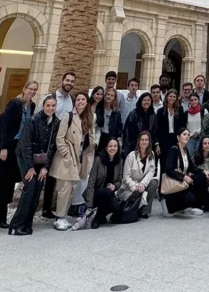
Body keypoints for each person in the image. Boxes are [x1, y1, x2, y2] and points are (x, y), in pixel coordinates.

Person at [0, 80, 38, 232]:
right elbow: (5, 126)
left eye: (35, 89)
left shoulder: (32, 106)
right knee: (1, 183)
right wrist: (3, 147)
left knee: (9, 184)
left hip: (18, 147)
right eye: (30, 89)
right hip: (7, 146)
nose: (32, 92)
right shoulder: (14, 104)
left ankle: (1, 219)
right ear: (24, 89)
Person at [8, 95, 58, 235]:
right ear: (43, 106)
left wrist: (45, 167)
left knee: (37, 190)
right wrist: (29, 167)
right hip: (26, 158)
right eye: (48, 105)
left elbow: (52, 147)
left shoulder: (55, 122)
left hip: (41, 161)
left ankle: (27, 223)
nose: (50, 108)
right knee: (29, 189)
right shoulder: (34, 120)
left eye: (53, 106)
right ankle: (16, 224)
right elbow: (26, 144)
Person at [51, 91, 94, 230]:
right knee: (64, 188)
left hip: (80, 158)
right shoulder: (68, 116)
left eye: (83, 99)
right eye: (78, 99)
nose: (80, 102)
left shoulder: (88, 118)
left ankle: (63, 215)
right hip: (68, 158)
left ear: (87, 102)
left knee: (71, 189)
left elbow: (88, 137)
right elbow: (60, 137)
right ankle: (59, 217)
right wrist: (66, 153)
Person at [161, 128, 207, 217]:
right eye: (184, 134)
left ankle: (194, 205)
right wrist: (184, 177)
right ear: (178, 137)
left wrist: (204, 171)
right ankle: (167, 204)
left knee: (201, 177)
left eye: (188, 135)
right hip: (175, 182)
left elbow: (192, 168)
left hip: (183, 182)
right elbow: (168, 170)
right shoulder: (174, 150)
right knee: (190, 199)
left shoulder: (186, 150)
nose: (187, 136)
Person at [120, 130, 158, 219]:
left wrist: (143, 184)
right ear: (138, 141)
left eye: (146, 140)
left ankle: (144, 211)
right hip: (130, 187)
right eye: (142, 140)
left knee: (154, 183)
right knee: (136, 193)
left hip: (141, 184)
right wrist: (136, 186)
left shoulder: (151, 154)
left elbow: (151, 171)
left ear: (149, 142)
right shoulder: (131, 156)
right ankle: (133, 209)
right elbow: (126, 177)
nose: (144, 142)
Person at [86, 137, 123, 228]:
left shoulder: (120, 161)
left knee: (117, 208)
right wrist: (89, 206)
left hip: (110, 194)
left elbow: (119, 181)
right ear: (106, 148)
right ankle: (97, 217)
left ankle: (100, 216)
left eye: (115, 146)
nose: (113, 148)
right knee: (106, 193)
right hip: (97, 194)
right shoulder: (98, 160)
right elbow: (91, 183)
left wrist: (115, 186)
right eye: (110, 146)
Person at [155, 88, 185, 159]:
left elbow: (182, 126)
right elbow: (157, 128)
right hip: (164, 140)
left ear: (176, 98)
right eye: (170, 96)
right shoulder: (160, 111)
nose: (172, 98)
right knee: (164, 160)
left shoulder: (180, 110)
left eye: (174, 97)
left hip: (176, 139)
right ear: (167, 97)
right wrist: (157, 143)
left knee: (175, 160)